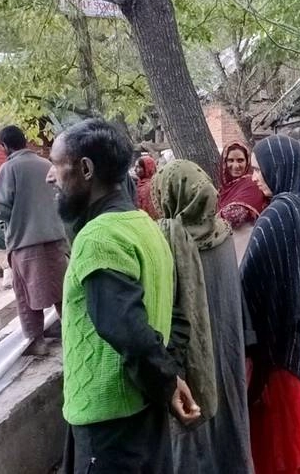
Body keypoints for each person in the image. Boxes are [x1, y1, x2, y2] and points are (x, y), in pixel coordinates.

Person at [47, 119, 200, 473]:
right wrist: (170, 380)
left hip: (110, 427)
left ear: (86, 168)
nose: (50, 176)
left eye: (56, 164)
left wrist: (166, 383)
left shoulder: (99, 238)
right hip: (144, 410)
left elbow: (127, 328)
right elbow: (175, 314)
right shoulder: (144, 225)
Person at [152, 160, 253, 474]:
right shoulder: (222, 233)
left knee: (192, 435)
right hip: (228, 347)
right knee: (228, 425)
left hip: (189, 361)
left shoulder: (166, 241)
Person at [241, 135, 300, 474]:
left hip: (275, 358)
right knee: (294, 451)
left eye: (260, 169)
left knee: (276, 451)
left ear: (280, 168)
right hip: (298, 350)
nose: (254, 177)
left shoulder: (278, 214)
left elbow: (249, 282)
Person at [0, 125, 68, 355]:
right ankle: (73, 333)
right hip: (55, 241)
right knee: (62, 293)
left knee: (25, 296)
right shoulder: (47, 165)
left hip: (25, 244)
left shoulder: (8, 169)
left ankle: (38, 342)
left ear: (4, 145)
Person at [218, 140, 268, 264]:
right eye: (230, 160)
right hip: (226, 252)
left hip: (246, 250)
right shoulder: (223, 189)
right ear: (224, 162)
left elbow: (236, 216)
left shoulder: (252, 184)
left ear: (247, 162)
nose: (236, 166)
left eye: (240, 160)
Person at [134, 155, 159, 219]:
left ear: (147, 168)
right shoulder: (140, 183)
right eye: (135, 166)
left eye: (138, 167)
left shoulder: (148, 187)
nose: (134, 169)